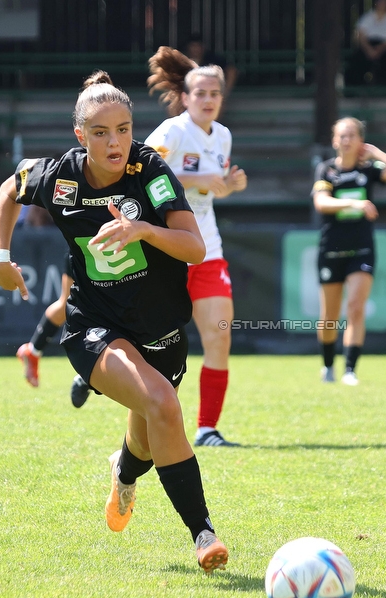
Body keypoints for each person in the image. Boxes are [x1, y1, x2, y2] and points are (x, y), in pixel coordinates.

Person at [0, 70, 229, 573]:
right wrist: (0, 254)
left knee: (146, 437)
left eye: (122, 129)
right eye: (100, 132)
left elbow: (194, 247)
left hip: (161, 331)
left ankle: (124, 475)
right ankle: (203, 534)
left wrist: (142, 229)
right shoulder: (59, 177)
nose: (114, 141)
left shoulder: (151, 172)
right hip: (92, 325)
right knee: (163, 404)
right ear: (81, 136)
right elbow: (9, 190)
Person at [138, 46, 248, 448]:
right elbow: (143, 171)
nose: (207, 99)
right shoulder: (173, 131)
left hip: (207, 248)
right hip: (166, 249)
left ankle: (207, 429)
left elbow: (209, 190)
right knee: (151, 341)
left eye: (214, 93)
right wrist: (201, 178)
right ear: (185, 98)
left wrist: (229, 185)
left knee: (219, 335)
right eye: (199, 93)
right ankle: (95, 367)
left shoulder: (223, 135)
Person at [312, 117, 386, 385]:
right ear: (334, 140)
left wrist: (376, 152)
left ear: (360, 140)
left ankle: (350, 369)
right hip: (331, 248)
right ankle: (328, 365)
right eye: (342, 135)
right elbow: (321, 203)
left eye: (352, 135)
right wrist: (355, 205)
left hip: (361, 249)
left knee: (355, 307)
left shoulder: (369, 169)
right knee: (330, 315)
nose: (346, 140)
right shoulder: (326, 170)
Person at [347, 0, 386, 86]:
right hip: (368, 47)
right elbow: (359, 35)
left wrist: (382, 48)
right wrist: (368, 49)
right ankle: (355, 89)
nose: (382, 5)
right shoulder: (367, 17)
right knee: (356, 61)